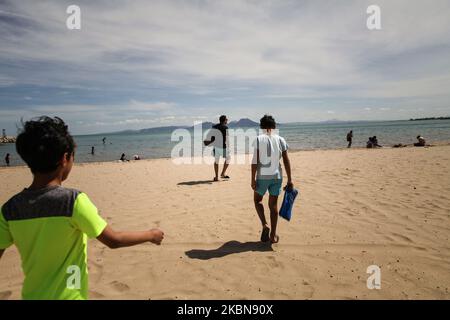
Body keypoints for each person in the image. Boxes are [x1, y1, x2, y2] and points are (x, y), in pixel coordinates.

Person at [0, 116, 164, 300]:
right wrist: (151, 235)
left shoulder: (10, 209)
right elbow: (114, 240)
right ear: (65, 158)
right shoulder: (73, 201)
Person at [251, 115, 293, 244]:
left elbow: (255, 161)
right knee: (273, 205)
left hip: (263, 176)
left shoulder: (258, 139)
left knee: (257, 201)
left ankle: (264, 224)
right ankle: (273, 235)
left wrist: (252, 178)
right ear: (274, 126)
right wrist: (290, 179)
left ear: (261, 126)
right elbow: (286, 160)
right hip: (277, 177)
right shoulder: (280, 139)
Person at [204, 115, 231, 181]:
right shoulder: (225, 127)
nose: (227, 120)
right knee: (228, 159)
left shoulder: (214, 127)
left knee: (216, 161)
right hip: (223, 147)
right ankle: (223, 173)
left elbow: (209, 136)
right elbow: (226, 139)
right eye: (226, 119)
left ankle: (216, 177)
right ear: (224, 120)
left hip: (216, 147)